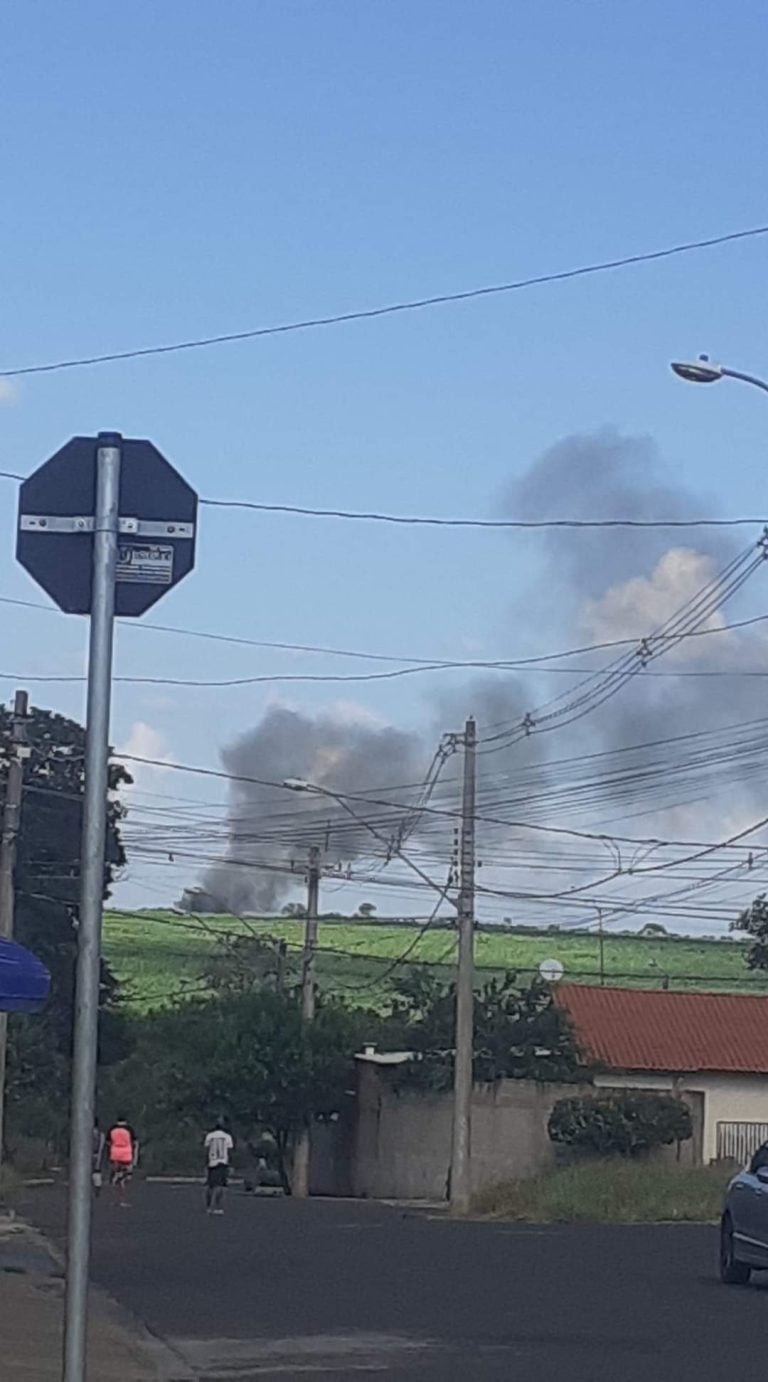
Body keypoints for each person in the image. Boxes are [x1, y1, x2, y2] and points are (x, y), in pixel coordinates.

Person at [204, 1120, 234, 1215]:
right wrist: (230, 1164)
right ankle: (218, 1207)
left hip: (212, 1162)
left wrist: (206, 1162)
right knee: (220, 1186)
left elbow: (206, 1149)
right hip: (222, 1162)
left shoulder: (209, 1136)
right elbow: (229, 1151)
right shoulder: (227, 1136)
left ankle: (208, 1206)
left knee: (210, 1185)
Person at [107, 1118, 139, 1206]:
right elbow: (135, 1143)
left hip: (115, 1154)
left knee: (115, 1177)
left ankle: (114, 1199)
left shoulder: (112, 1129)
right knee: (125, 1178)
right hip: (126, 1155)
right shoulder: (129, 1129)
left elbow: (108, 1143)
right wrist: (135, 1159)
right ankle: (122, 1200)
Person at [91, 1120, 105, 1196]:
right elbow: (101, 1146)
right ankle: (97, 1186)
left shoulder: (88, 1133)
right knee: (96, 1171)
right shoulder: (101, 1134)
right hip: (97, 1154)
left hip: (90, 1154)